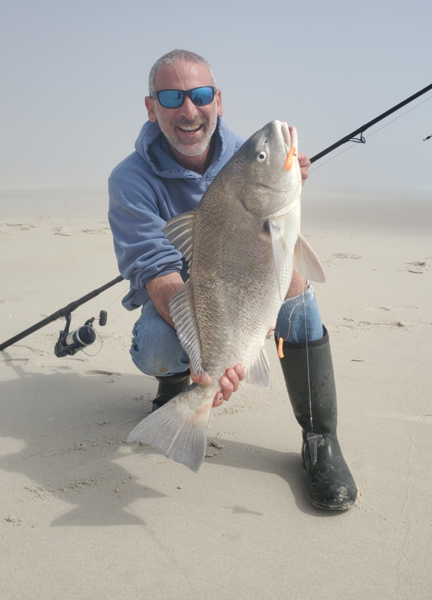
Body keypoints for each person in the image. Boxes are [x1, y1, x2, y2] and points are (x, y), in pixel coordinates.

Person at [108, 49, 357, 510]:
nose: (188, 110)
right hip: (188, 299)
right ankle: (179, 382)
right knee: (162, 345)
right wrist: (211, 360)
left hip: (246, 288)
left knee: (298, 288)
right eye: (171, 97)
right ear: (151, 107)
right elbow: (157, 273)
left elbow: (276, 241)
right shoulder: (130, 180)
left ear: (218, 101)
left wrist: (287, 184)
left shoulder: (245, 160)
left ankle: (320, 437)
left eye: (200, 95)